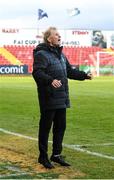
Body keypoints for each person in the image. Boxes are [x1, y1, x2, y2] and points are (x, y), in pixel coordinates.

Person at [32, 27, 92, 169]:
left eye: (59, 34)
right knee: (46, 127)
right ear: (49, 39)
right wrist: (50, 80)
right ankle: (43, 156)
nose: (59, 36)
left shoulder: (61, 55)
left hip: (62, 97)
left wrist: (84, 75)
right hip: (49, 96)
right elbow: (37, 72)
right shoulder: (41, 54)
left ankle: (56, 155)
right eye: (56, 35)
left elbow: (69, 72)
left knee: (60, 127)